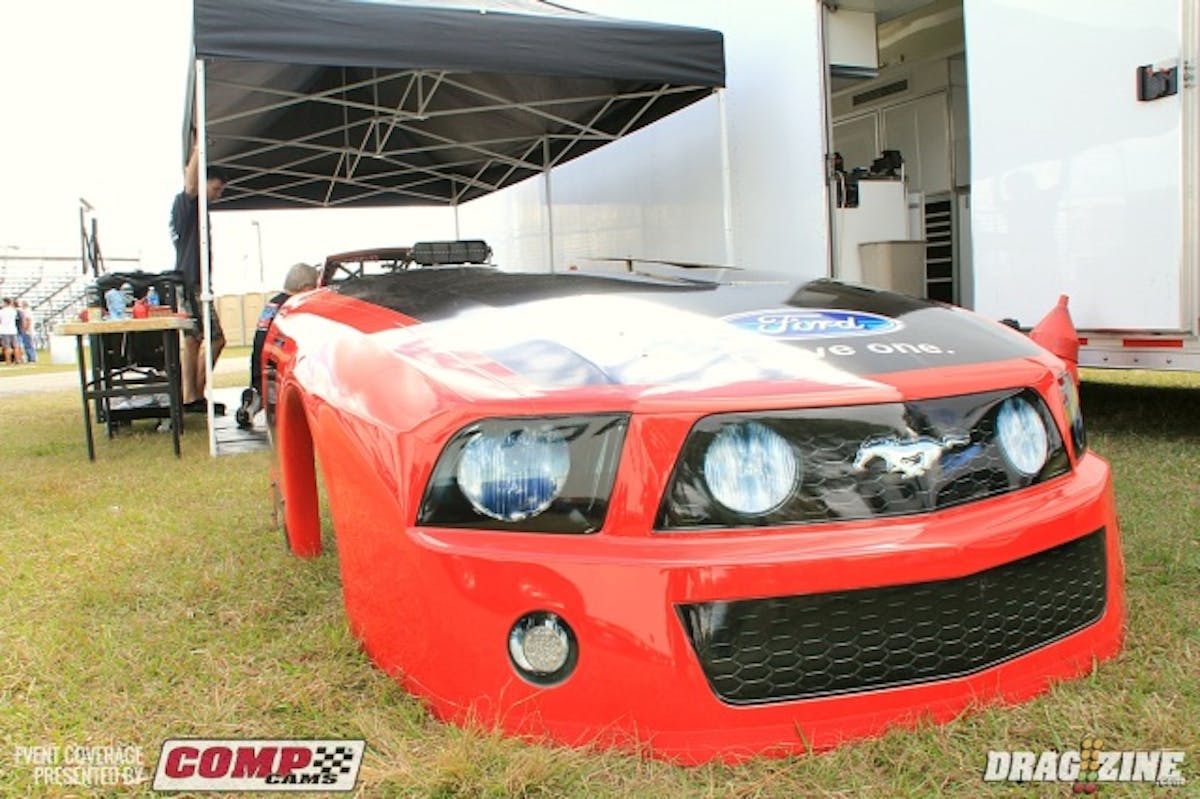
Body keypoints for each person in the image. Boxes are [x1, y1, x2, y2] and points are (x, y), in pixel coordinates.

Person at [170, 143, 229, 414]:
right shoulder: (187, 203)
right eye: (216, 188)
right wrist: (198, 147)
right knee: (214, 339)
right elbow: (191, 184)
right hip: (189, 282)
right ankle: (193, 394)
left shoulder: (195, 212)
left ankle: (193, 396)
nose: (219, 194)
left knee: (193, 340)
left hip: (193, 282)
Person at [237, 263, 319, 429]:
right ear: (306, 288)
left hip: (260, 370)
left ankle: (256, 400)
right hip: (277, 374)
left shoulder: (273, 304)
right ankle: (269, 405)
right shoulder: (293, 307)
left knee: (265, 393)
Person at [0, 298, 18, 365]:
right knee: (15, 346)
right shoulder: (13, 311)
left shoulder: (2, 311)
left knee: (6, 347)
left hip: (5, 330)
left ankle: (8, 361)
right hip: (13, 330)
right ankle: (17, 360)